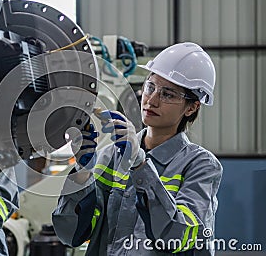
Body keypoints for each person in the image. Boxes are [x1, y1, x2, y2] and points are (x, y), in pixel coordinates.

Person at [52, 42, 223, 255]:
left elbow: (177, 237)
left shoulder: (201, 165)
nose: (151, 100)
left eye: (168, 94)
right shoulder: (110, 157)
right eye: (150, 87)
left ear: (192, 107)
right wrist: (82, 173)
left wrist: (140, 164)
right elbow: (71, 234)